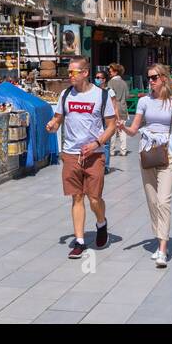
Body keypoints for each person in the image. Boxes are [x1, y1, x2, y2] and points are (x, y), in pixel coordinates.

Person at [45, 55, 117, 259]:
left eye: (73, 72)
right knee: (77, 197)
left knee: (94, 199)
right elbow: (58, 118)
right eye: (68, 72)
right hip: (71, 154)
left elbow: (111, 126)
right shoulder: (66, 95)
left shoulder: (101, 96)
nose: (69, 76)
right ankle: (80, 241)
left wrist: (97, 143)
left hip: (94, 154)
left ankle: (101, 223)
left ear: (85, 73)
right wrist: (53, 125)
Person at [121, 63, 172, 267]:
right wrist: (123, 127)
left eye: (154, 77)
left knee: (164, 200)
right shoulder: (144, 102)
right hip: (147, 153)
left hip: (168, 154)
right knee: (152, 201)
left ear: (164, 78)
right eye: (149, 77)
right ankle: (159, 241)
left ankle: (163, 250)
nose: (151, 81)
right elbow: (134, 129)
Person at [107, 64, 131, 157]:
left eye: (111, 71)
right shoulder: (124, 83)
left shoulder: (110, 83)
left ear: (116, 72)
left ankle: (112, 151)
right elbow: (127, 96)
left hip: (113, 108)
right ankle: (123, 150)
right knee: (122, 130)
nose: (109, 72)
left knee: (112, 130)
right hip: (123, 108)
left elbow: (109, 96)